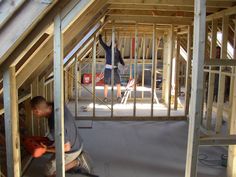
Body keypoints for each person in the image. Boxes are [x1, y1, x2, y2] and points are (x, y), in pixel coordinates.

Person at [30, 96, 91, 177]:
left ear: (37, 111)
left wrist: (46, 149)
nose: (33, 114)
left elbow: (66, 148)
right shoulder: (57, 105)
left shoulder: (55, 124)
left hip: (72, 150)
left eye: (33, 112)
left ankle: (77, 161)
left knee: (49, 171)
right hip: (77, 141)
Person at [99, 34, 125, 103]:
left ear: (116, 44)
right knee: (106, 83)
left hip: (115, 68)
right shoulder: (107, 49)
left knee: (118, 83)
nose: (114, 44)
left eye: (115, 43)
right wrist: (100, 37)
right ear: (111, 44)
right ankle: (105, 97)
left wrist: (123, 64)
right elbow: (102, 43)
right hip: (108, 68)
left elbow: (120, 59)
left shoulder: (118, 52)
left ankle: (119, 97)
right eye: (113, 43)